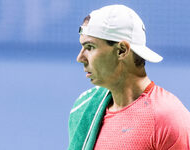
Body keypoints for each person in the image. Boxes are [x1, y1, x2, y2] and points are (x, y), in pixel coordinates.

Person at [68, 4, 190, 150]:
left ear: (122, 50)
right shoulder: (84, 108)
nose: (80, 57)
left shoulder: (168, 118)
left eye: (90, 47)